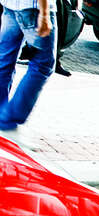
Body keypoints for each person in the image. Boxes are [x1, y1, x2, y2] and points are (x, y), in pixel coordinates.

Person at [0, 0, 56, 139]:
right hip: (34, 8)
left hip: (10, 5)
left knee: (5, 61)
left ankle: (4, 117)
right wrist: (44, 14)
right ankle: (8, 120)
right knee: (43, 66)